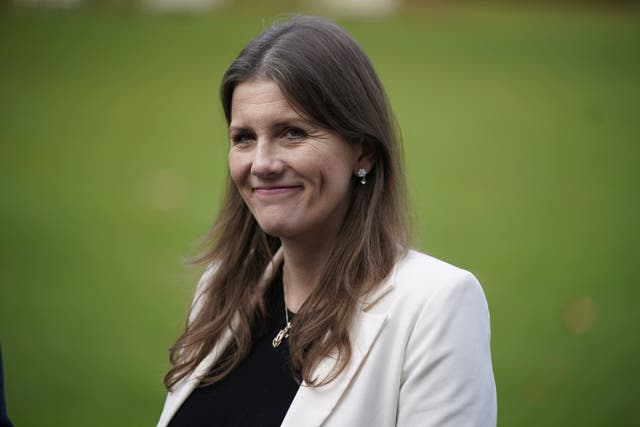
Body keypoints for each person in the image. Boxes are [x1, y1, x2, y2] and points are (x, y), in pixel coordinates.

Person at [157, 16, 496, 427]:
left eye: (293, 133)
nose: (262, 164)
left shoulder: (435, 306)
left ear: (364, 152)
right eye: (244, 137)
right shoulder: (222, 288)